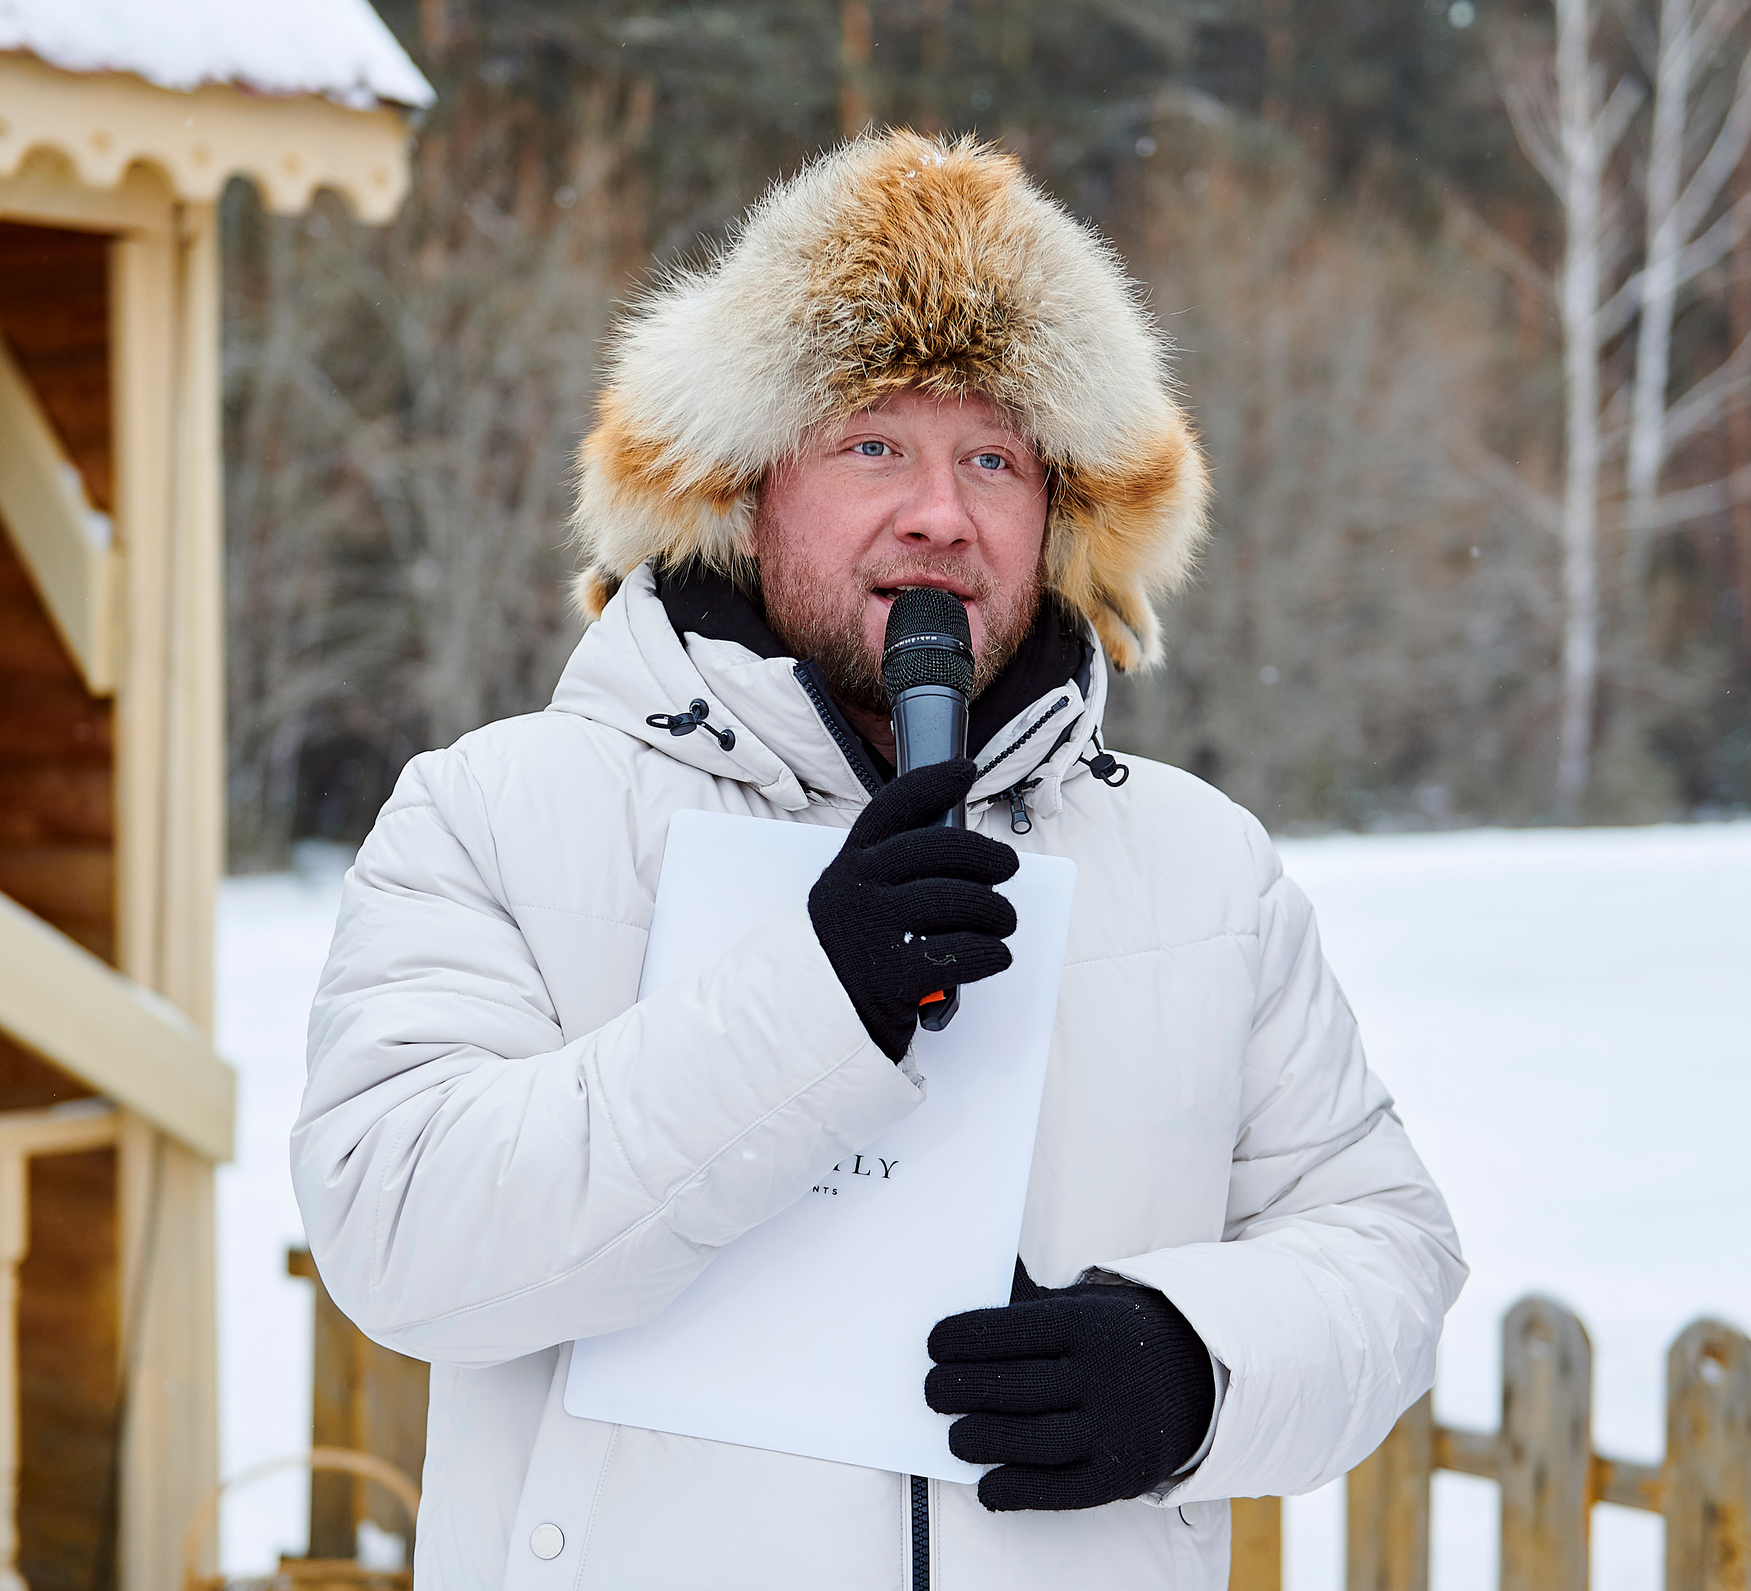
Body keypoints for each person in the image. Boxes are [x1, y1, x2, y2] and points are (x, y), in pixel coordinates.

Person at [292, 130, 1465, 1591]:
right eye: (873, 446)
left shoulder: (1199, 865)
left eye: (993, 457)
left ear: (1060, 515)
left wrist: (1191, 1366)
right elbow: (403, 1238)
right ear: (746, 485)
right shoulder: (500, 811)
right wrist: (811, 1006)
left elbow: (1386, 1249)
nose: (941, 515)